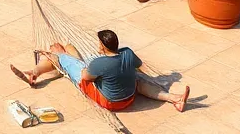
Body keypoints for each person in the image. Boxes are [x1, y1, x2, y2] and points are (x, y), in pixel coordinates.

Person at [10, 28, 188, 113]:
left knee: (60, 54)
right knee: (138, 81)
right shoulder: (127, 53)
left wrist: (64, 57)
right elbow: (138, 64)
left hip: (109, 102)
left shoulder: (99, 63)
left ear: (102, 46)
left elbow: (84, 77)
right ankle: (174, 99)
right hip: (129, 97)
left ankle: (37, 71)